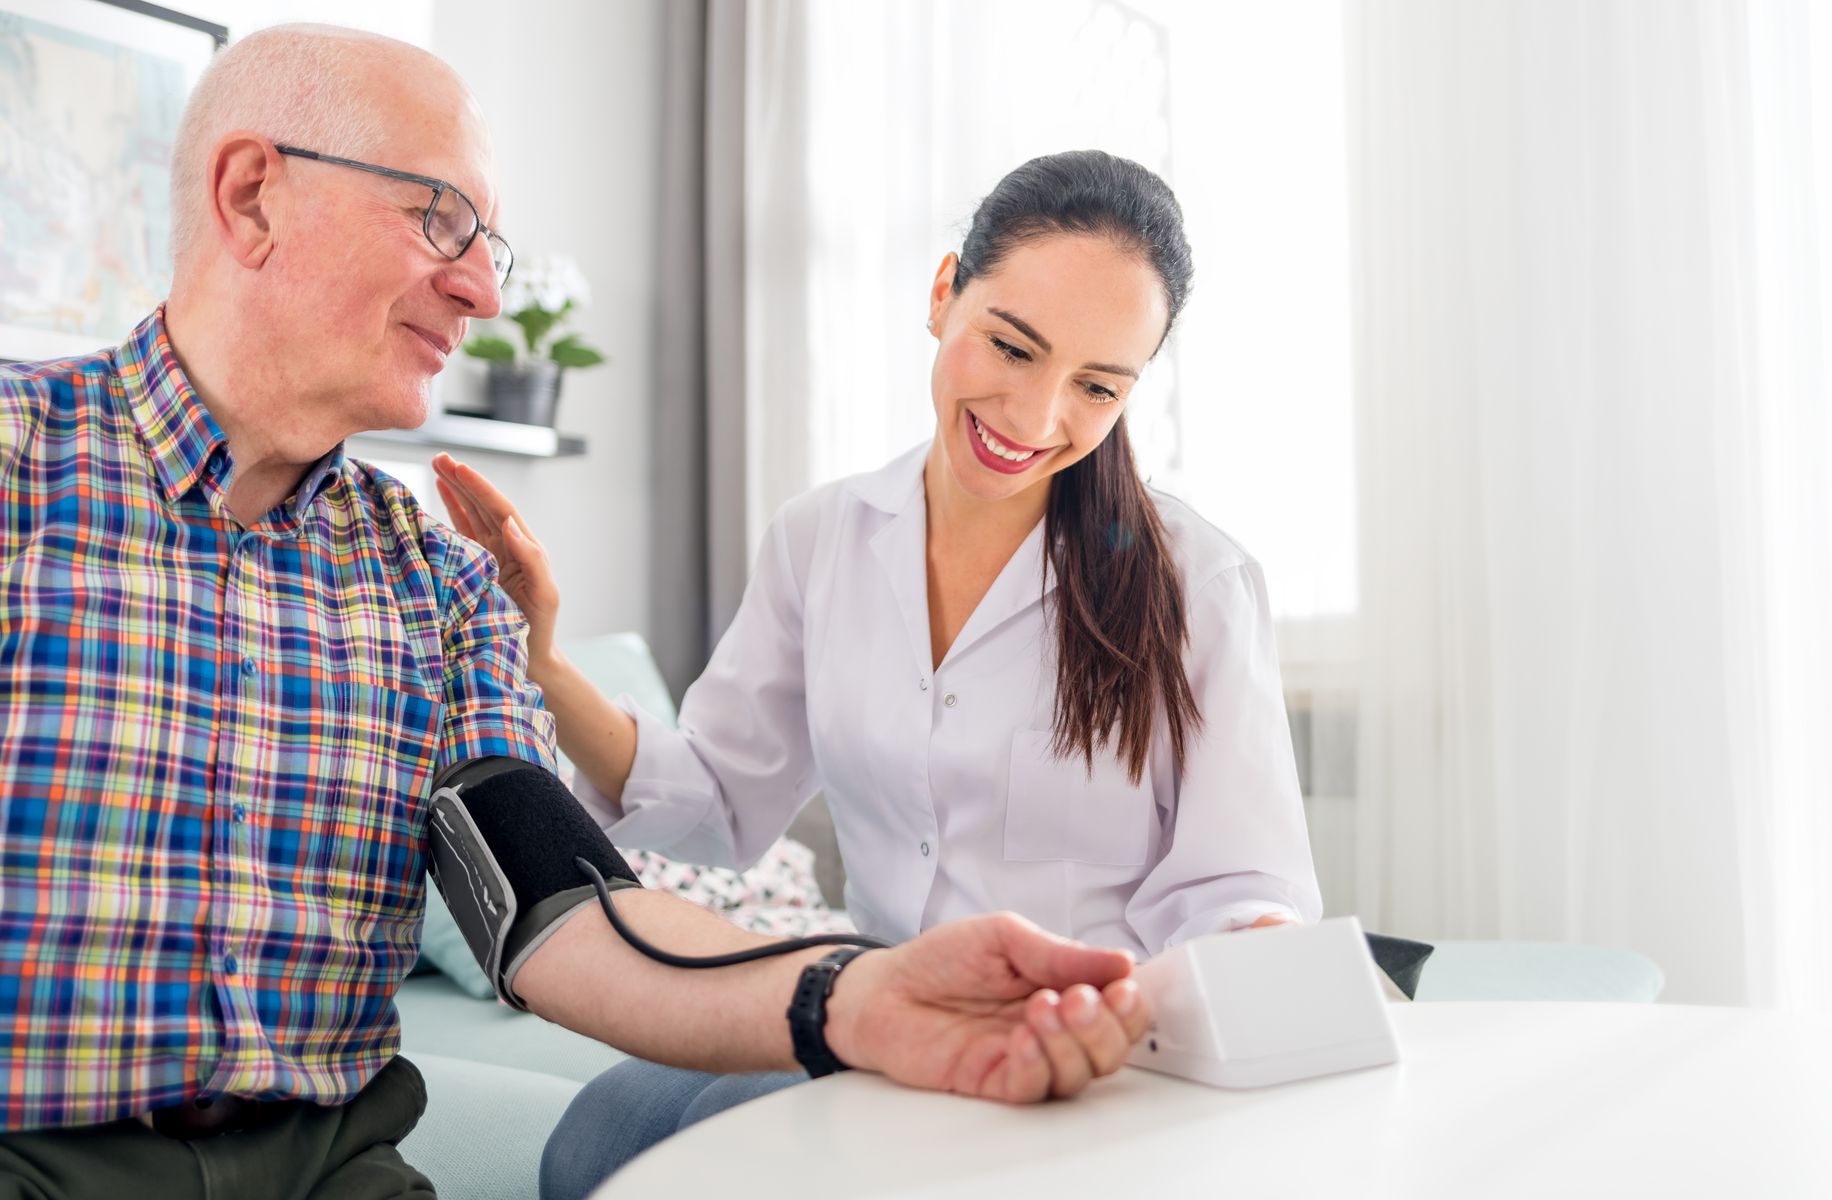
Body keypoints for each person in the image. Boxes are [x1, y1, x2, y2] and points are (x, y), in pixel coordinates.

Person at [0, 27, 1151, 1200]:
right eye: (440, 219)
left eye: (487, 243)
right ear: (254, 195)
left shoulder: (435, 586)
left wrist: (856, 992)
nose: (486, 291)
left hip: (328, 1170)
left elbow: (566, 916)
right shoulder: (16, 468)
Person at [432, 148, 1322, 1197]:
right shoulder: (823, 538)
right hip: (888, 1024)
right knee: (594, 1140)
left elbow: (1241, 893)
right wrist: (536, 659)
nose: (1036, 421)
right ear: (945, 292)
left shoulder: (1197, 581)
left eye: (1095, 387)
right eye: (1011, 346)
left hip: (1084, 1062)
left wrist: (1243, 986)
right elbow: (713, 799)